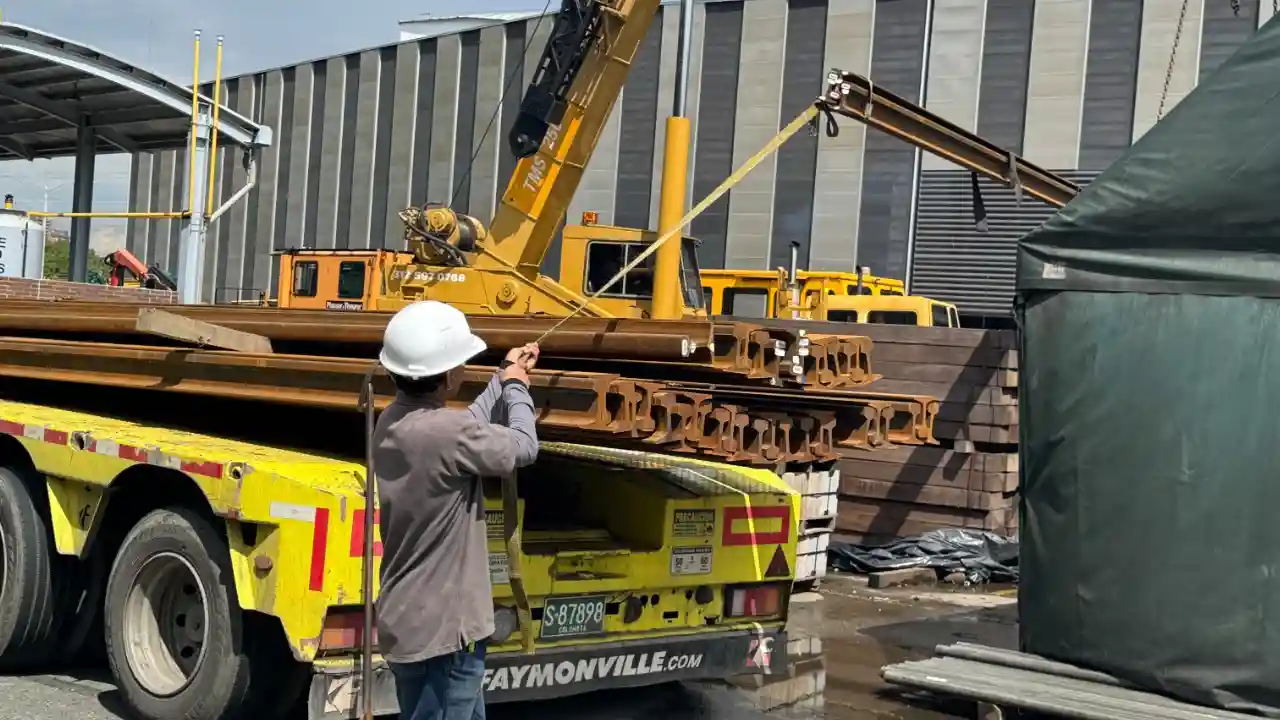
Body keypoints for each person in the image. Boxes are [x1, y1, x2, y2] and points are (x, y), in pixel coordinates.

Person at [372, 300, 540, 720]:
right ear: (449, 376)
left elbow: (466, 427)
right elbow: (523, 446)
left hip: (413, 625)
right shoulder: (447, 433)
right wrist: (517, 387)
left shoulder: (392, 420)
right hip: (447, 636)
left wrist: (503, 376)